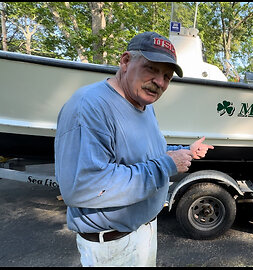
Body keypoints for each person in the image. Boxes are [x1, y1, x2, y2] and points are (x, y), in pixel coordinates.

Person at [54, 31, 214, 267]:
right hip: (112, 245)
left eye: (167, 77)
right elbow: (82, 186)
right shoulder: (90, 106)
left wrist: (184, 151)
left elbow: (147, 153)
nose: (160, 82)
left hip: (143, 232)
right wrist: (169, 164)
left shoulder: (144, 105)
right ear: (126, 61)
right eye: (151, 69)